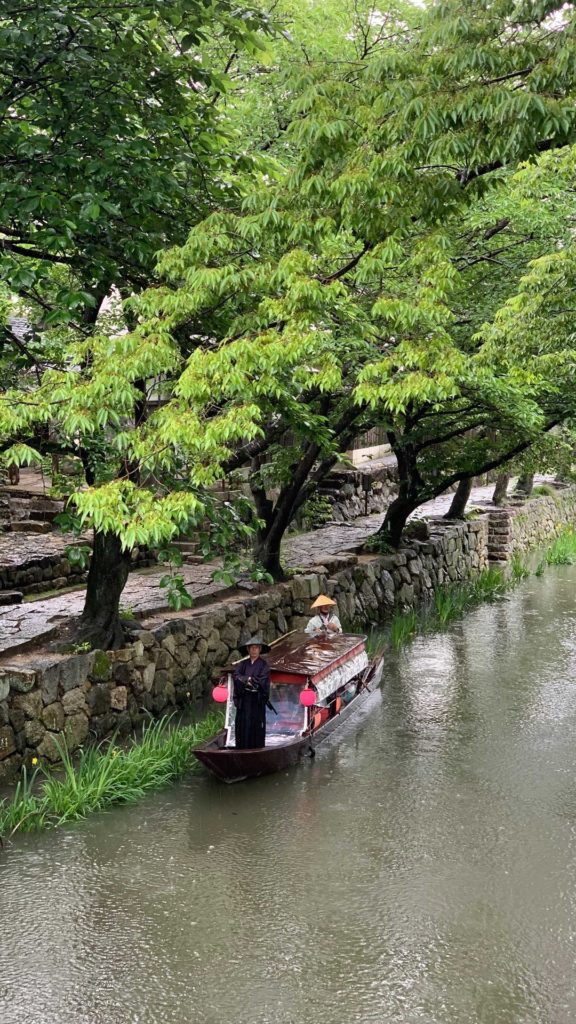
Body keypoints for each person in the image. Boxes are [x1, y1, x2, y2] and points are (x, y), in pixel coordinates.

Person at [233, 636, 271, 749]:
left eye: (256, 648)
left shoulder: (264, 665)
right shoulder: (242, 664)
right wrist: (246, 680)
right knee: (243, 724)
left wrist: (250, 680)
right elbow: (237, 676)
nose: (254, 650)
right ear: (248, 649)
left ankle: (256, 748)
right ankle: (241, 747)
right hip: (244, 699)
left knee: (256, 725)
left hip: (256, 700)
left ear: (260, 649)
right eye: (251, 648)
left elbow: (263, 680)